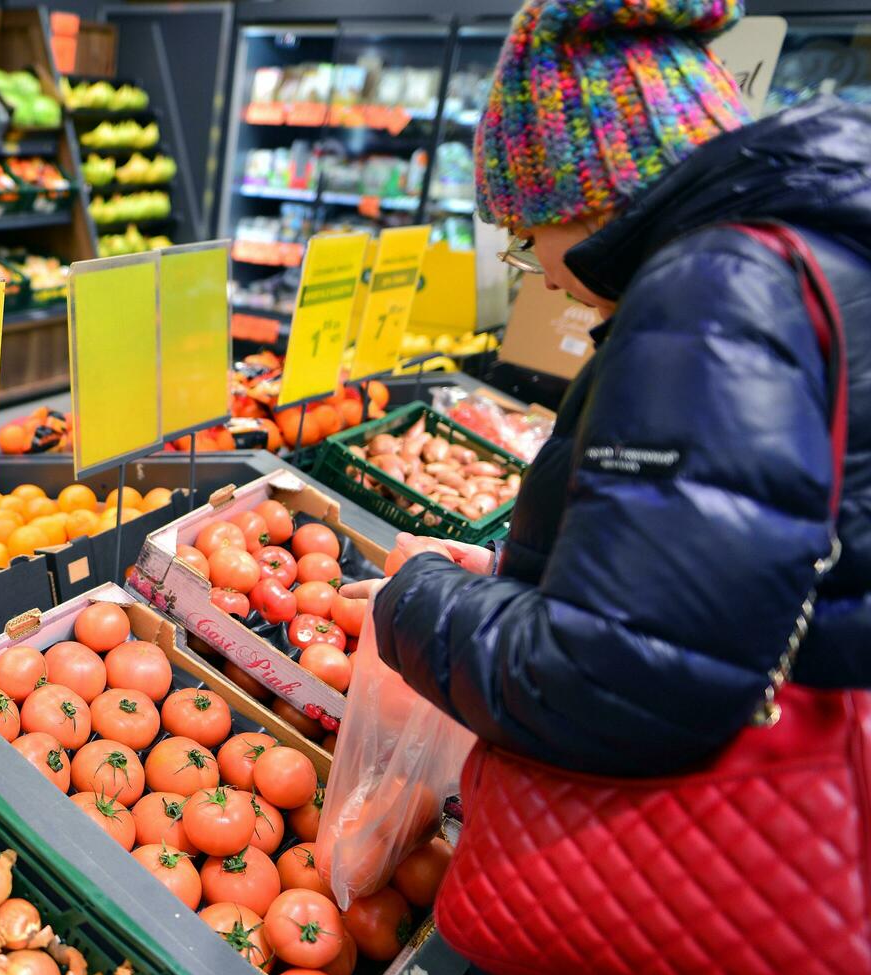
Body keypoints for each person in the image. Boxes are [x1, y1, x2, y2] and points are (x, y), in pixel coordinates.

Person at [355, 0, 871, 778]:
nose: (541, 275)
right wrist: (521, 577)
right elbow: (709, 581)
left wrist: (412, 599)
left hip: (715, 840)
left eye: (528, 238)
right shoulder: (806, 255)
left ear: (592, 200)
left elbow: (617, 681)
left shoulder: (712, 297)